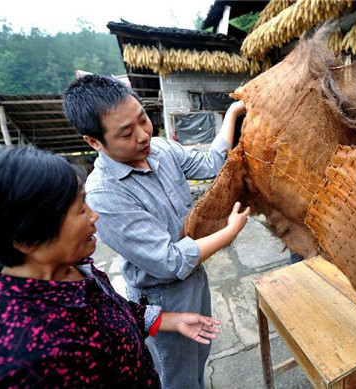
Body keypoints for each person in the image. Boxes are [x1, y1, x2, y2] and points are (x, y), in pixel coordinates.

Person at [0, 147, 222, 388]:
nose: (95, 216)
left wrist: (167, 320)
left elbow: (111, 311)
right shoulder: (24, 362)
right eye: (80, 210)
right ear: (25, 237)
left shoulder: (72, 268)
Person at [63, 74, 250, 389]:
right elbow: (170, 262)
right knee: (175, 376)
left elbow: (209, 164)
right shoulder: (105, 195)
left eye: (143, 120)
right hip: (161, 297)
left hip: (195, 279)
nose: (142, 135)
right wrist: (229, 233)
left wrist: (231, 114)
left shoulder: (161, 148)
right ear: (94, 141)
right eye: (126, 133)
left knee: (199, 359)